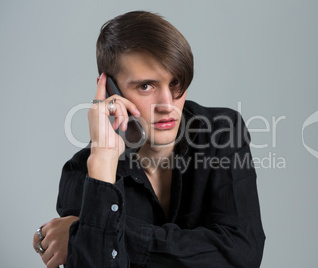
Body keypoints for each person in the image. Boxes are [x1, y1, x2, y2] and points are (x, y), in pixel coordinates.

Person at [33, 11, 265, 267]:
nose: (168, 104)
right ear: (111, 90)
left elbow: (243, 253)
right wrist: (103, 162)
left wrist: (90, 228)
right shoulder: (83, 173)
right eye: (146, 86)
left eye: (175, 82)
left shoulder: (222, 131)